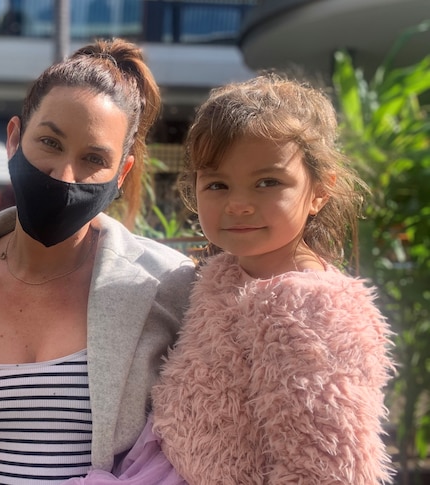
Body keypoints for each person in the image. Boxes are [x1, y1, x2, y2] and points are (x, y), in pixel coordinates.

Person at [68, 74, 396, 484]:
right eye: (218, 184)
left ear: (320, 191)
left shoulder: (311, 313)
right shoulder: (225, 272)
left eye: (268, 182)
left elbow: (327, 468)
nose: (238, 204)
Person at [0, 38, 197, 483]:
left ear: (121, 173)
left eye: (94, 159)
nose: (64, 175)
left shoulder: (166, 286)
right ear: (14, 138)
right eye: (50, 142)